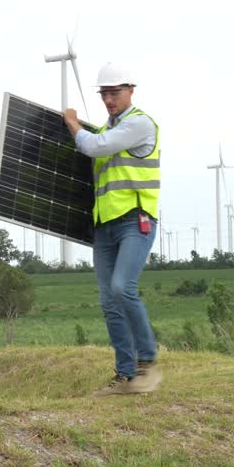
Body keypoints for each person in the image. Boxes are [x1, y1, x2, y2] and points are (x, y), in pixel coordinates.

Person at [62, 62, 162, 396]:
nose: (108, 99)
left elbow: (93, 147)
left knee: (123, 287)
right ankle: (125, 374)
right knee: (109, 301)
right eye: (104, 93)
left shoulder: (139, 125)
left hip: (136, 219)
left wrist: (73, 124)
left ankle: (147, 360)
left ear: (130, 90)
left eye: (114, 92)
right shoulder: (107, 130)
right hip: (104, 226)